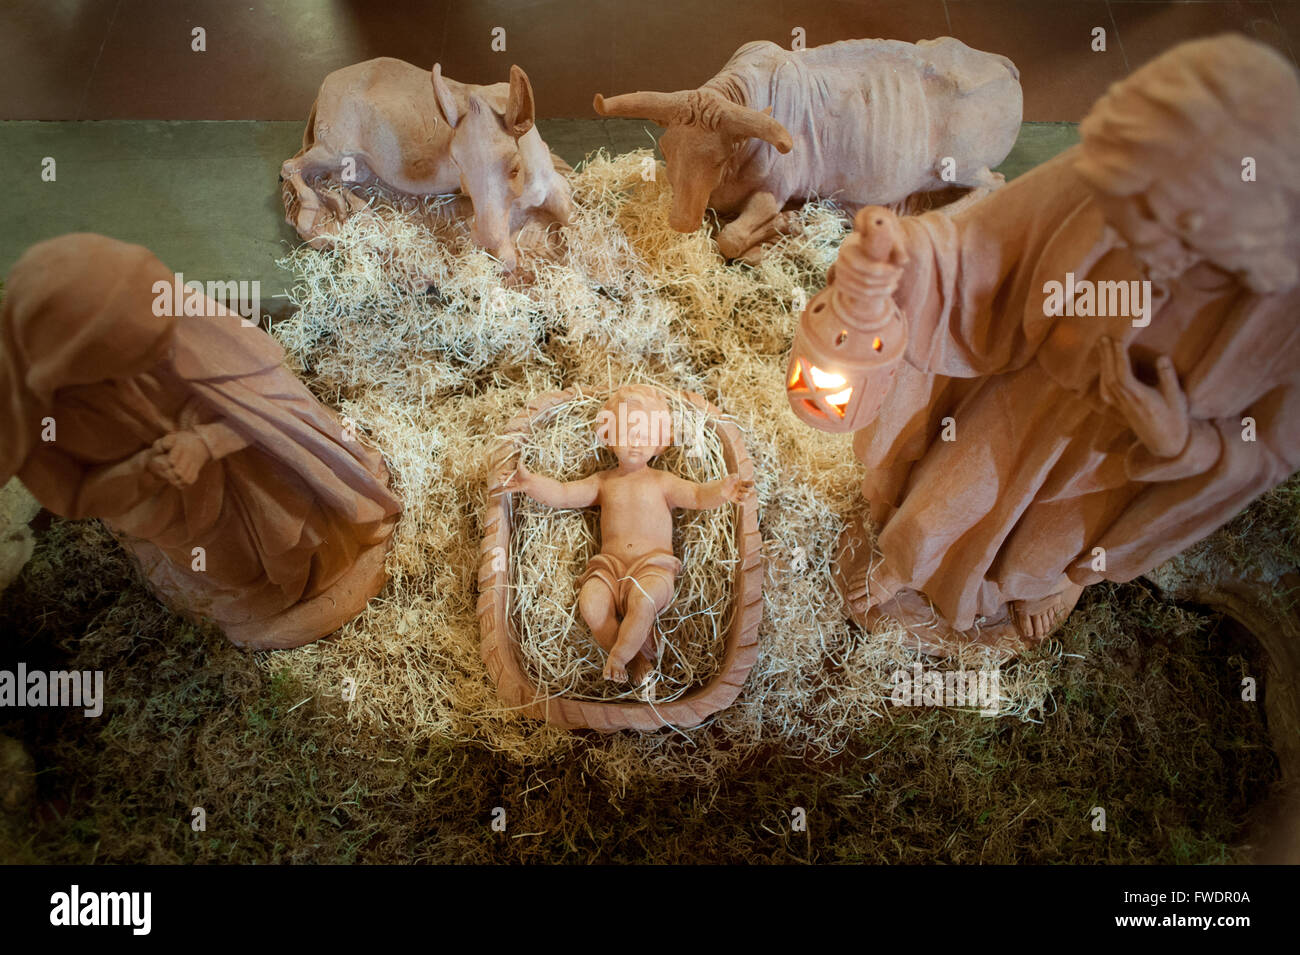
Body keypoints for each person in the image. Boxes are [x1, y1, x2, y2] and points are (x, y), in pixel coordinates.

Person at [828, 35, 1300, 650]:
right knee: (957, 485)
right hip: (1040, 390)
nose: (1133, 239)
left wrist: (1179, 442)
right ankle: (905, 560)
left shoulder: (1279, 322)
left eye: (1162, 228)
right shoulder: (1125, 176)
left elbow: (1264, 452)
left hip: (1125, 460)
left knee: (1054, 545)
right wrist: (907, 253)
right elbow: (987, 243)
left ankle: (1058, 582)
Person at [0, 234, 401, 649]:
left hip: (256, 464)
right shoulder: (34, 407)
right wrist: (145, 470)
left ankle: (323, 561)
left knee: (298, 531)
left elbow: (279, 409)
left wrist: (207, 441)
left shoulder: (169, 316)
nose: (157, 350)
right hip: (162, 506)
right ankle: (254, 592)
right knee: (236, 573)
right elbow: (76, 496)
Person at [504, 385, 748, 684]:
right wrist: (532, 484)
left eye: (645, 437)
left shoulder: (663, 482)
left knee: (643, 601)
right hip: (610, 568)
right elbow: (564, 494)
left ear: (660, 442)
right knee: (591, 605)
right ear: (608, 438)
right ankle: (637, 658)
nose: (636, 444)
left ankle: (619, 658)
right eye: (627, 435)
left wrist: (722, 490)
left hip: (652, 568)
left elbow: (697, 495)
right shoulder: (603, 482)